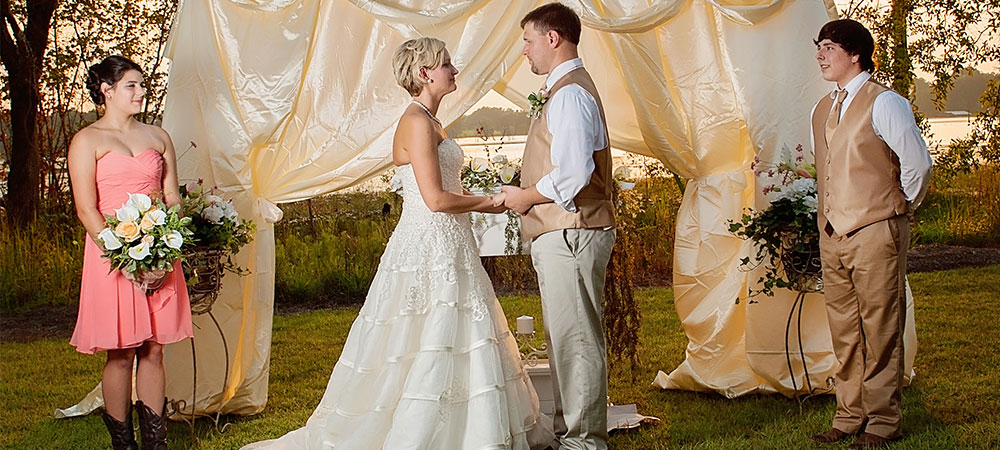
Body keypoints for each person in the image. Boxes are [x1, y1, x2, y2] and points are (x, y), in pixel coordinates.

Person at [241, 37, 553, 450]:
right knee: (427, 333)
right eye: (446, 64)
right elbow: (437, 199)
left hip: (450, 243)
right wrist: (494, 202)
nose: (454, 70)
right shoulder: (417, 122)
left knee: (460, 329)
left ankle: (467, 428)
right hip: (429, 243)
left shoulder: (431, 121)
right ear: (425, 73)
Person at [809, 19, 932, 449]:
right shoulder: (822, 108)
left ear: (855, 53)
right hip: (832, 234)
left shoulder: (886, 103)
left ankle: (881, 421)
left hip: (877, 229)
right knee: (844, 328)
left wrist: (898, 209)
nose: (820, 54)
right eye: (818, 46)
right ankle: (849, 414)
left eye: (829, 46)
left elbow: (917, 166)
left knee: (880, 327)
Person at [500, 4, 616, 450]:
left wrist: (523, 197)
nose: (525, 50)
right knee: (565, 337)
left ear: (553, 39)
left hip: (573, 230)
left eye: (528, 40)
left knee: (577, 340)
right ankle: (572, 433)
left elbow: (572, 173)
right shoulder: (563, 91)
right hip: (565, 232)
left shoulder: (569, 94)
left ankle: (585, 441)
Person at [68, 55, 194, 450]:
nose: (141, 92)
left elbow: (172, 199)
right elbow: (87, 209)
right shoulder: (86, 141)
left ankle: (157, 443)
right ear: (107, 90)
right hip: (112, 259)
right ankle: (123, 444)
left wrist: (161, 255)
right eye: (132, 86)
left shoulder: (158, 137)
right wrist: (128, 260)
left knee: (154, 349)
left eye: (142, 85)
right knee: (121, 352)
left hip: (159, 253)